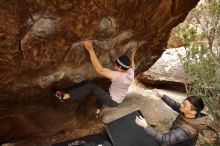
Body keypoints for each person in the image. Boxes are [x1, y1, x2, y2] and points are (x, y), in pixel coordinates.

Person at [52, 40, 135, 115]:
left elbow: (100, 70)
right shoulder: (131, 72)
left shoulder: (118, 76)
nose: (115, 68)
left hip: (112, 101)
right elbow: (133, 66)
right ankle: (98, 110)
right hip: (116, 98)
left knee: (91, 87)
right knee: (101, 91)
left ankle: (64, 96)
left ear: (121, 68)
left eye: (117, 67)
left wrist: (90, 49)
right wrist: (133, 55)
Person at [135, 89, 207, 146]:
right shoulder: (190, 113)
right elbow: (175, 105)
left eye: (184, 105)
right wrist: (162, 95)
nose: (181, 105)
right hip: (176, 137)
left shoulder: (187, 130)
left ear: (193, 112)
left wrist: (145, 126)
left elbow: (164, 139)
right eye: (183, 102)